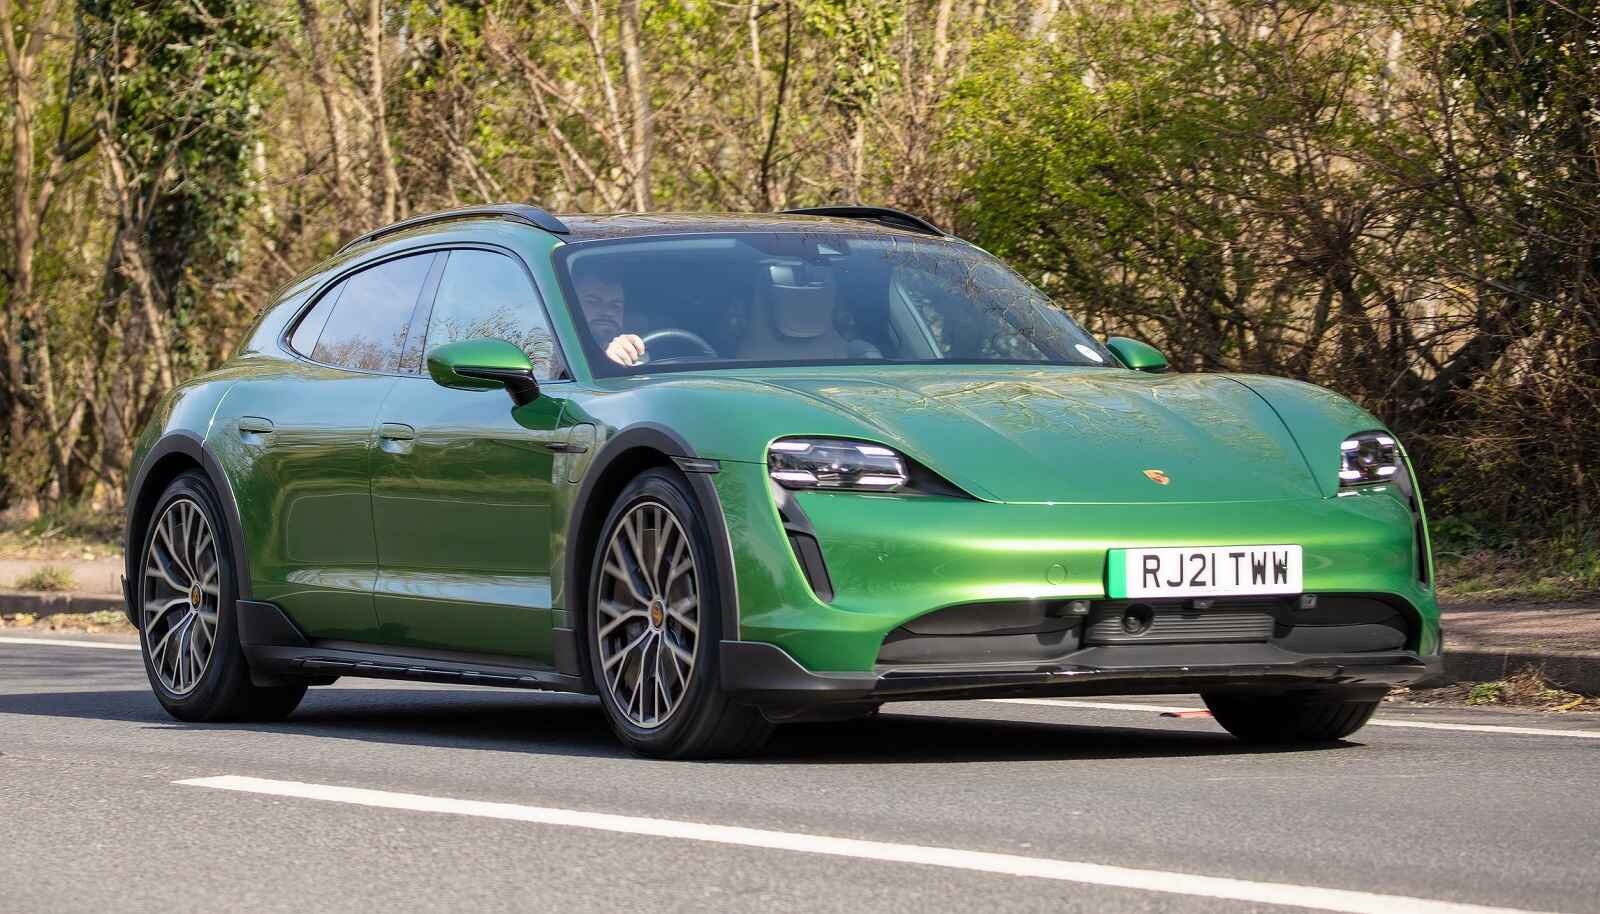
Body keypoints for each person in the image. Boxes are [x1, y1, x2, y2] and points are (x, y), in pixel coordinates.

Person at [573, 271, 647, 366]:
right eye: (593, 302)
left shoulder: (638, 353)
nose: (608, 312)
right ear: (573, 306)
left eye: (615, 306)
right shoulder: (558, 351)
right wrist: (607, 361)